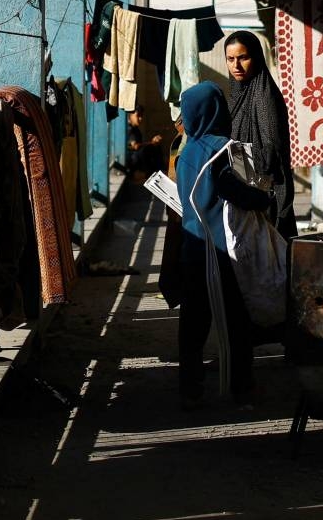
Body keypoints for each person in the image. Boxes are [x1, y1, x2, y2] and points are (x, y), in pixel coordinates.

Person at [175, 81, 272, 409]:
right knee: (235, 321)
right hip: (222, 253)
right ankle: (241, 389)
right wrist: (265, 198)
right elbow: (238, 192)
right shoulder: (223, 150)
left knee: (193, 322)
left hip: (193, 249)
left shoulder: (185, 152)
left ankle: (189, 388)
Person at [223, 30, 297, 239]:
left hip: (264, 195)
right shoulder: (239, 93)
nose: (236, 66)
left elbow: (270, 153)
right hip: (246, 189)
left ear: (255, 57)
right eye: (230, 59)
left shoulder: (264, 96)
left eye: (243, 58)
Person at [125, 105, 164, 181]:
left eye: (141, 116)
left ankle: (157, 172)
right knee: (145, 150)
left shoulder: (136, 129)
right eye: (138, 116)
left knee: (154, 147)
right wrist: (152, 142)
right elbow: (135, 146)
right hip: (131, 160)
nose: (140, 118)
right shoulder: (129, 129)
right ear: (131, 115)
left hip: (136, 158)